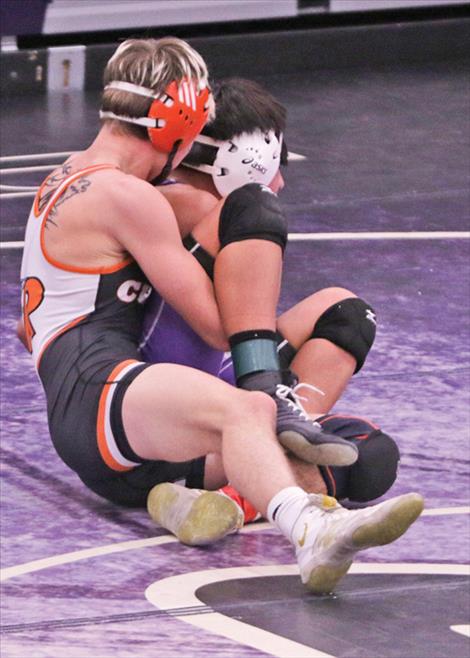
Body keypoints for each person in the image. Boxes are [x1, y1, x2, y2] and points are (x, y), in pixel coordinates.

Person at [19, 37, 423, 595]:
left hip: (96, 392)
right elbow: (216, 326)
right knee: (246, 406)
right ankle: (308, 523)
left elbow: (30, 326)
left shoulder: (79, 176)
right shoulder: (124, 196)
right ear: (177, 122)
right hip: (101, 391)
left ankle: (230, 489)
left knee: (367, 451)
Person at [141, 77, 401, 524]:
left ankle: (256, 464)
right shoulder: (172, 206)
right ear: (244, 156)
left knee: (345, 313)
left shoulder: (163, 204)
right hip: (172, 428)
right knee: (369, 457)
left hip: (202, 410)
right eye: (274, 162)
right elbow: (219, 330)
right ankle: (255, 475)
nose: (279, 180)